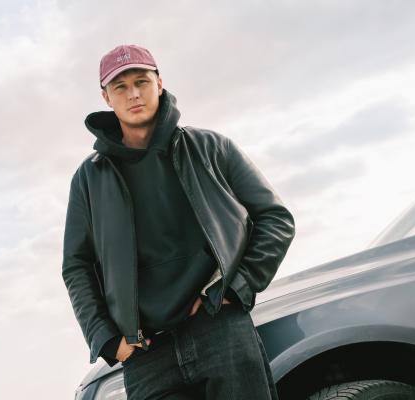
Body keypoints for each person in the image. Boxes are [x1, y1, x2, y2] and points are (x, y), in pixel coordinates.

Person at [62, 44, 295, 399]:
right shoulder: (89, 179)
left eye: (141, 81)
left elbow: (275, 218)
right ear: (106, 97)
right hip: (146, 354)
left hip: (220, 329)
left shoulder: (210, 147)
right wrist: (105, 338)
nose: (133, 94)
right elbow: (76, 265)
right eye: (120, 87)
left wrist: (238, 287)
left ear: (159, 84)